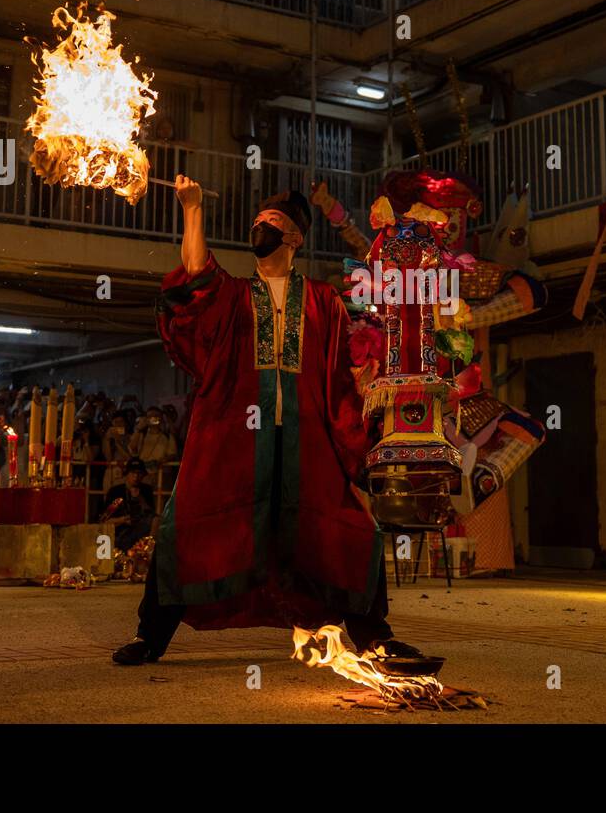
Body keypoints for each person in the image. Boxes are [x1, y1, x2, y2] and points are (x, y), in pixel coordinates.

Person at [112, 177, 418, 665]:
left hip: (307, 441)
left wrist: (355, 448)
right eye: (256, 223)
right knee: (188, 526)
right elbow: (194, 276)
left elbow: (338, 382)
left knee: (346, 530)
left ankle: (375, 638)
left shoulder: (324, 301)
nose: (259, 229)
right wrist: (192, 207)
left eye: (270, 223)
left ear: (294, 237)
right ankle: (150, 635)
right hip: (234, 438)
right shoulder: (232, 296)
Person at [99, 458, 156, 552]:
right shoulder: (116, 491)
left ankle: (149, 550)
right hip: (120, 533)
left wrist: (140, 499)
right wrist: (123, 519)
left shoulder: (146, 490)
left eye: (139, 473)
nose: (136, 476)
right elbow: (104, 521)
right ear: (127, 474)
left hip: (141, 533)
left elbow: (152, 515)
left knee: (156, 521)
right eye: (133, 473)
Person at [101, 412, 134, 491]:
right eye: (116, 422)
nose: (119, 424)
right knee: (109, 498)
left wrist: (117, 442)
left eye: (121, 421)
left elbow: (129, 457)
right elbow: (108, 458)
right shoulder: (108, 438)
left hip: (125, 472)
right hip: (111, 472)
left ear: (126, 423)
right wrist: (107, 439)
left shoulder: (131, 438)